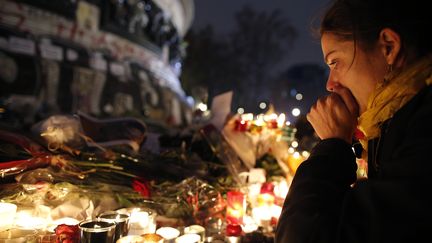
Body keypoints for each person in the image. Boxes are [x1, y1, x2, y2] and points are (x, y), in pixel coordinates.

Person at [275, 0, 432, 242]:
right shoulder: (393, 120)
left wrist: (333, 146)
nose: (330, 84)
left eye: (335, 62)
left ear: (388, 47)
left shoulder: (423, 132)